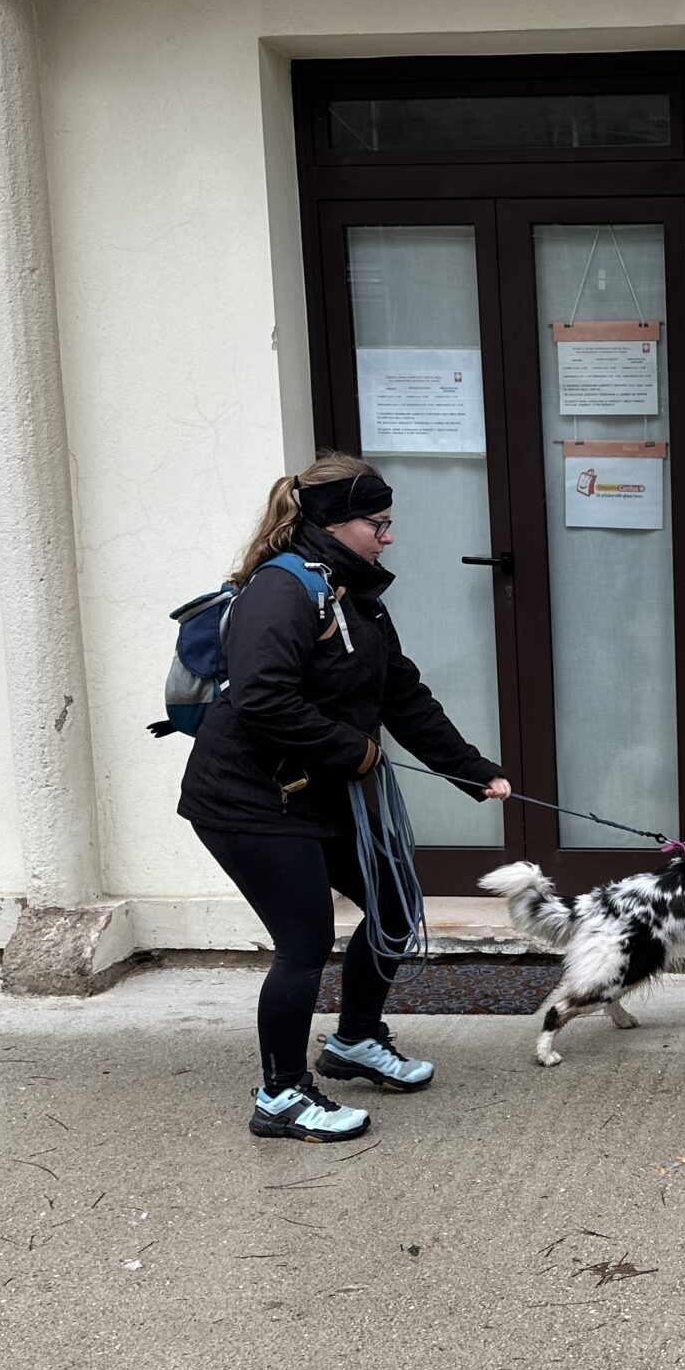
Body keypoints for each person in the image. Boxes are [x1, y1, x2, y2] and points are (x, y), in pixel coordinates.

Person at [179, 453, 508, 1141]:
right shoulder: (281, 590)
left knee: (395, 902)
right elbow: (263, 699)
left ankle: (355, 1039)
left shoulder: (353, 593)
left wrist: (470, 770)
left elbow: (401, 693)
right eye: (377, 524)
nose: (389, 537)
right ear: (333, 522)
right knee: (303, 943)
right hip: (249, 798)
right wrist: (354, 751)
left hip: (320, 791)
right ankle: (281, 1096)